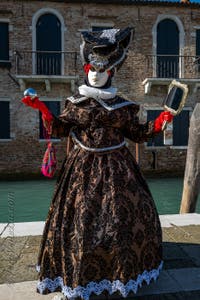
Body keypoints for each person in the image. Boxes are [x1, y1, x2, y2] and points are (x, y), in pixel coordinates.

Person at [21, 27, 173, 300]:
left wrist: (161, 120)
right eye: (91, 68)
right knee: (79, 219)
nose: (95, 73)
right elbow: (60, 129)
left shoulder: (123, 107)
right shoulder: (75, 104)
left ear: (110, 73)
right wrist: (43, 110)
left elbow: (138, 133)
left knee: (120, 219)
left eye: (101, 70)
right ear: (86, 69)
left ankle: (121, 272)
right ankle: (78, 273)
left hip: (119, 169)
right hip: (81, 169)